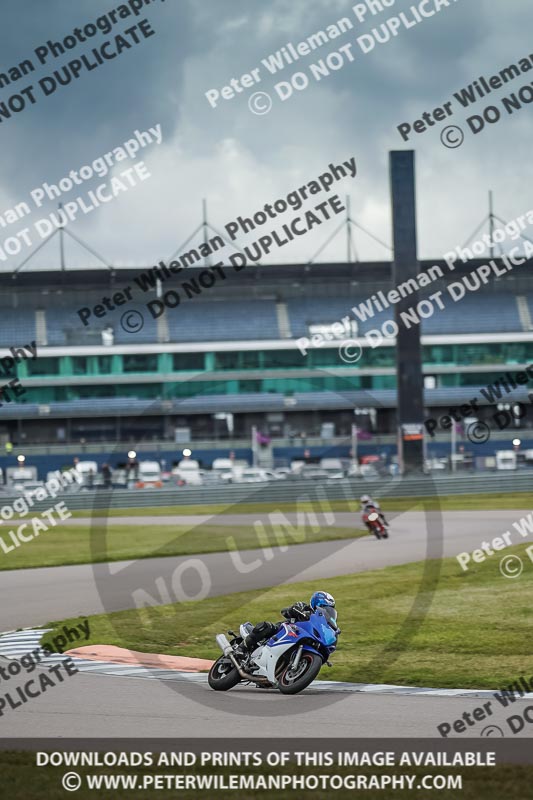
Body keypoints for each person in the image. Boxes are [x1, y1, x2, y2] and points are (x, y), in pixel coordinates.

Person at [243, 591, 337, 652]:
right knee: (266, 626)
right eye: (322, 605)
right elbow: (284, 611)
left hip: (301, 639)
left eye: (328, 608)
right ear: (315, 602)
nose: (324, 609)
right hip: (283, 632)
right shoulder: (303, 607)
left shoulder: (321, 622)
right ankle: (241, 648)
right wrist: (296, 611)